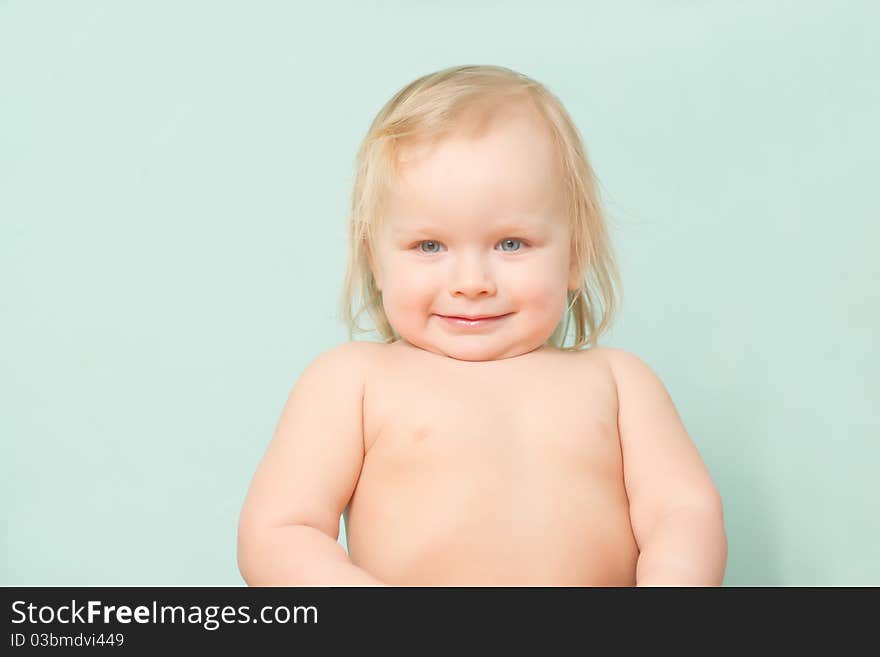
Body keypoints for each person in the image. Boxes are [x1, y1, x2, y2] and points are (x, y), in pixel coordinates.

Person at [237, 64, 727, 586]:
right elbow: (280, 531)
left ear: (576, 254)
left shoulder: (619, 382)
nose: (472, 282)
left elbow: (682, 512)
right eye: (430, 246)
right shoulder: (353, 381)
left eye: (510, 244)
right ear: (376, 262)